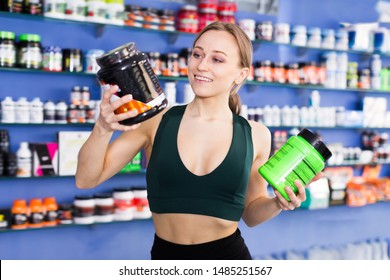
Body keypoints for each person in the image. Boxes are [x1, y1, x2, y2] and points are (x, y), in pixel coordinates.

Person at [75, 21, 322, 260]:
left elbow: (251, 214)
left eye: (217, 59)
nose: (202, 66)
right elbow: (87, 178)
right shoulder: (156, 122)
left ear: (241, 74)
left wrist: (278, 203)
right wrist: (103, 127)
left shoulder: (256, 134)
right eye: (197, 55)